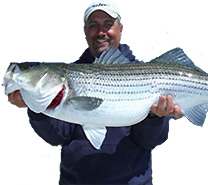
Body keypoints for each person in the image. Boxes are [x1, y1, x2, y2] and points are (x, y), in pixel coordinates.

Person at [8, 1, 181, 184]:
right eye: (93, 25)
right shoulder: (72, 75)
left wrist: (155, 118)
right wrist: (36, 108)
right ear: (85, 30)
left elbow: (149, 141)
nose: (101, 32)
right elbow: (56, 137)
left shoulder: (146, 74)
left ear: (120, 29)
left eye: (108, 24)